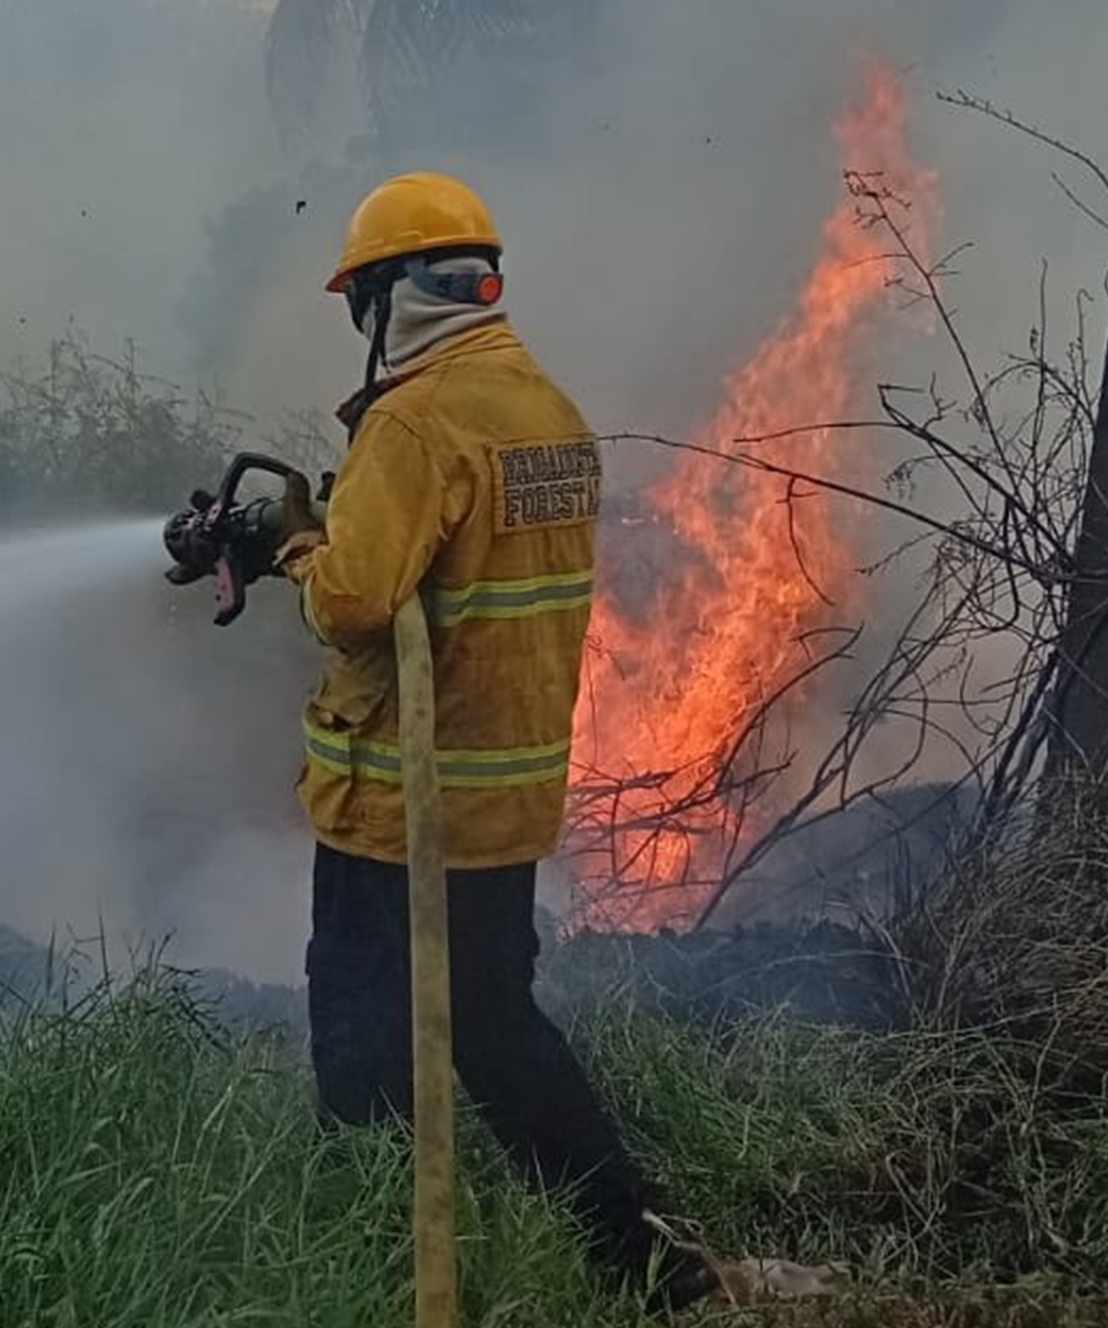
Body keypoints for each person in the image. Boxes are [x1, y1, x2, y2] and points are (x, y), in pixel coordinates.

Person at [256, 171, 722, 1314]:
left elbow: (357, 602)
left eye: (362, 302)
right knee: (492, 1020)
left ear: (391, 296)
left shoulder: (417, 421)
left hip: (399, 796)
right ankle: (640, 1254)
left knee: (361, 1009)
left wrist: (293, 553)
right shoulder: (547, 413)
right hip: (505, 794)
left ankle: (377, 1242)